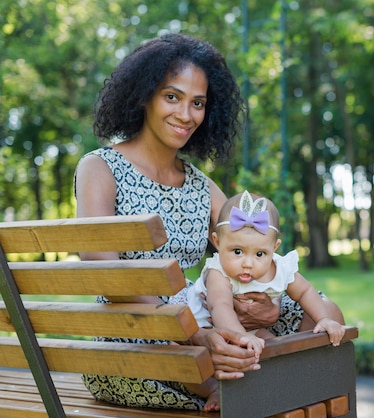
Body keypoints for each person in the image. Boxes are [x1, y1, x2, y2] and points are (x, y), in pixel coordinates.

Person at [74, 33, 344, 412]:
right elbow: (106, 270)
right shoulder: (100, 167)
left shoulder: (200, 185)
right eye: (172, 96)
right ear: (142, 96)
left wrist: (272, 306)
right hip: (134, 339)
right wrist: (192, 334)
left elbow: (252, 246)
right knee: (225, 361)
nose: (186, 115)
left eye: (197, 103)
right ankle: (252, 385)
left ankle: (249, 383)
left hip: (196, 324)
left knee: (321, 313)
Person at [188, 191, 346, 410]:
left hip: (250, 328)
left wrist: (324, 319)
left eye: (260, 254)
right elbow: (220, 306)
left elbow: (306, 291)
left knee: (272, 349)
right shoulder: (218, 272)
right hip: (210, 326)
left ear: (275, 248)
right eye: (237, 251)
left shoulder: (280, 268)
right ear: (217, 242)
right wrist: (240, 336)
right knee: (219, 356)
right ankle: (218, 392)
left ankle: (277, 391)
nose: (248, 263)